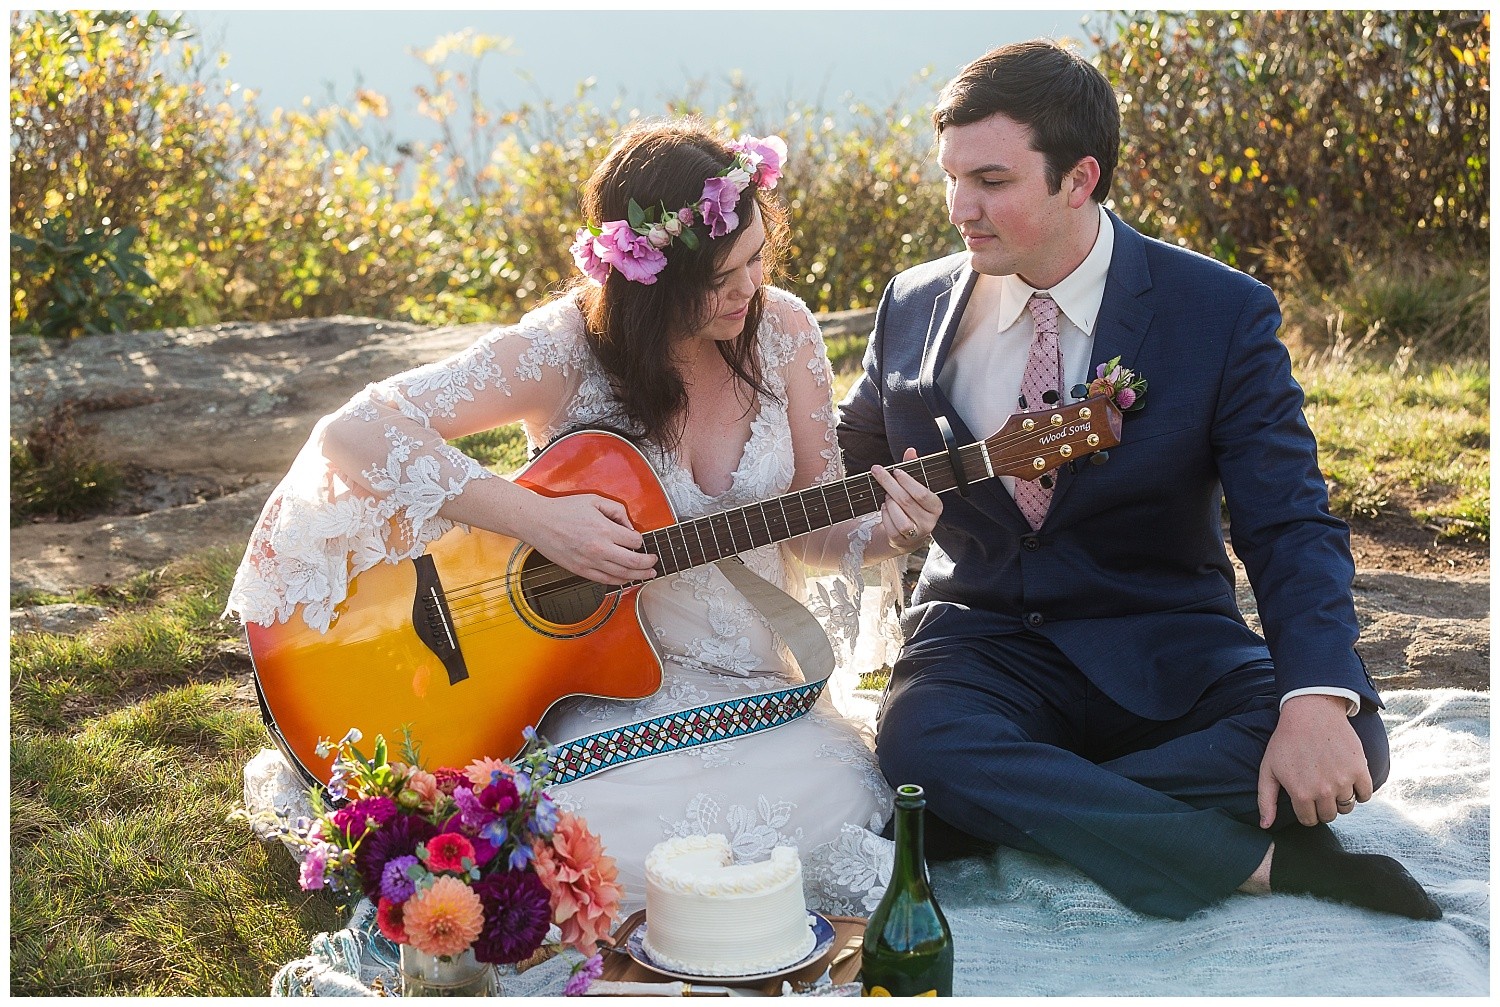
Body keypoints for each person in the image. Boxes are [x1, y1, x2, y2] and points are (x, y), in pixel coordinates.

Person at [228, 120, 942, 912]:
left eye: (756, 258)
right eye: (721, 277)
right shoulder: (566, 347)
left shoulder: (786, 333)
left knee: (839, 796)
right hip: (605, 686)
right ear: (650, 283)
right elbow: (356, 431)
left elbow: (810, 527)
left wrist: (891, 533)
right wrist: (537, 518)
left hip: (752, 687)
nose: (748, 288)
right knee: (584, 846)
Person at [835, 40, 1442, 922]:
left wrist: (1312, 700)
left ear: (1080, 179)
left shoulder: (1221, 313)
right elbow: (846, 459)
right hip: (982, 645)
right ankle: (1253, 860)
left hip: (1167, 640)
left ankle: (1003, 810)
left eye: (993, 181)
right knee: (924, 742)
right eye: (951, 177)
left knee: (1353, 737)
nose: (960, 209)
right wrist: (879, 517)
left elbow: (1289, 523)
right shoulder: (911, 304)